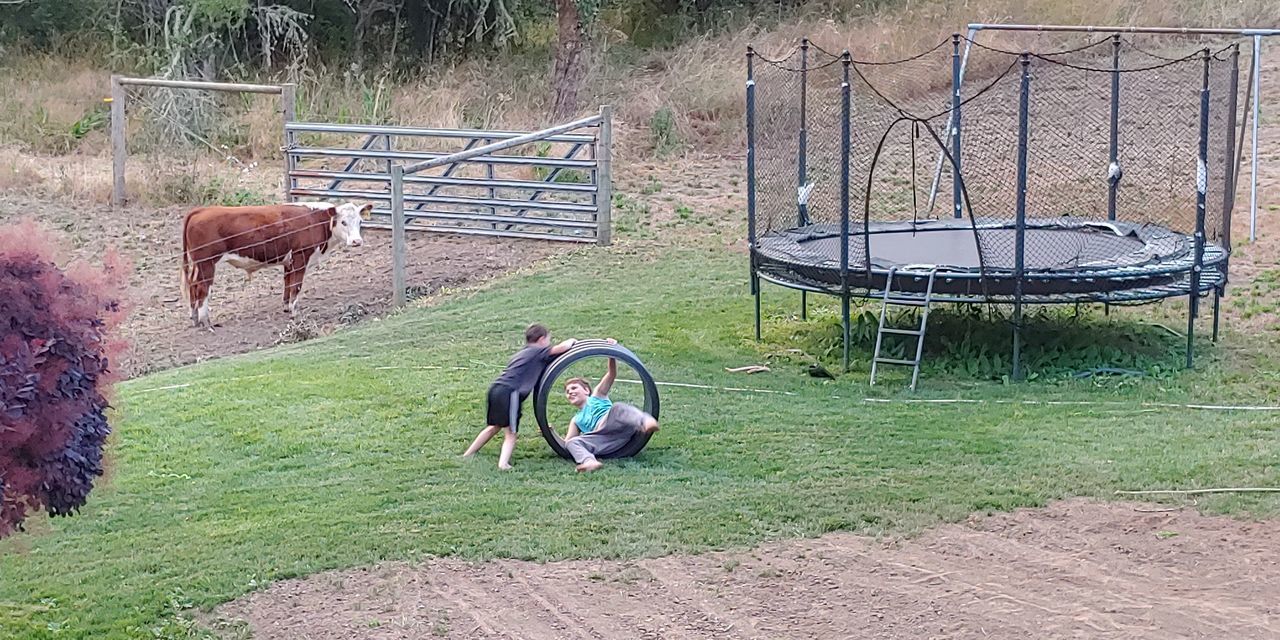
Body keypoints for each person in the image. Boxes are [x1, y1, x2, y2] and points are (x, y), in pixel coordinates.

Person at [463, 323, 577, 470]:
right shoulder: (538, 350)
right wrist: (572, 340)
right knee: (511, 432)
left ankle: (468, 454)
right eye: (549, 339)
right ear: (542, 339)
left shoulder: (524, 352)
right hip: (510, 393)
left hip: (496, 389)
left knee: (494, 426)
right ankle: (503, 464)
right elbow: (562, 347)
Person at [562, 339, 659, 472]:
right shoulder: (576, 420)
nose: (570, 392)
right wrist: (549, 433)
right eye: (567, 392)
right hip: (604, 440)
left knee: (618, 408)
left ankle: (646, 421)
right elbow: (567, 443)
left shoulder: (597, 395)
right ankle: (589, 462)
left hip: (618, 426)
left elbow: (611, 374)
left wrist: (611, 354)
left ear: (586, 390)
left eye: (574, 388)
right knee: (573, 442)